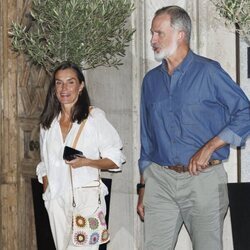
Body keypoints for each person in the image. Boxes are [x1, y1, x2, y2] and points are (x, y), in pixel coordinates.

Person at [137, 5, 250, 250]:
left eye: (158, 33)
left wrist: (210, 146)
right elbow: (147, 140)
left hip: (204, 181)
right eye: (152, 34)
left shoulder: (209, 71)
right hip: (160, 180)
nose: (152, 40)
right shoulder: (150, 81)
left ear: (180, 34)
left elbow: (245, 111)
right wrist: (144, 186)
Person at [36, 61, 125, 250]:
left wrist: (87, 162)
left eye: (70, 82)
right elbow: (45, 163)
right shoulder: (48, 123)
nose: (64, 88)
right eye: (59, 83)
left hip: (86, 202)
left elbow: (115, 159)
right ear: (54, 88)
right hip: (56, 202)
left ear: (81, 86)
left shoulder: (94, 118)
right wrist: (47, 190)